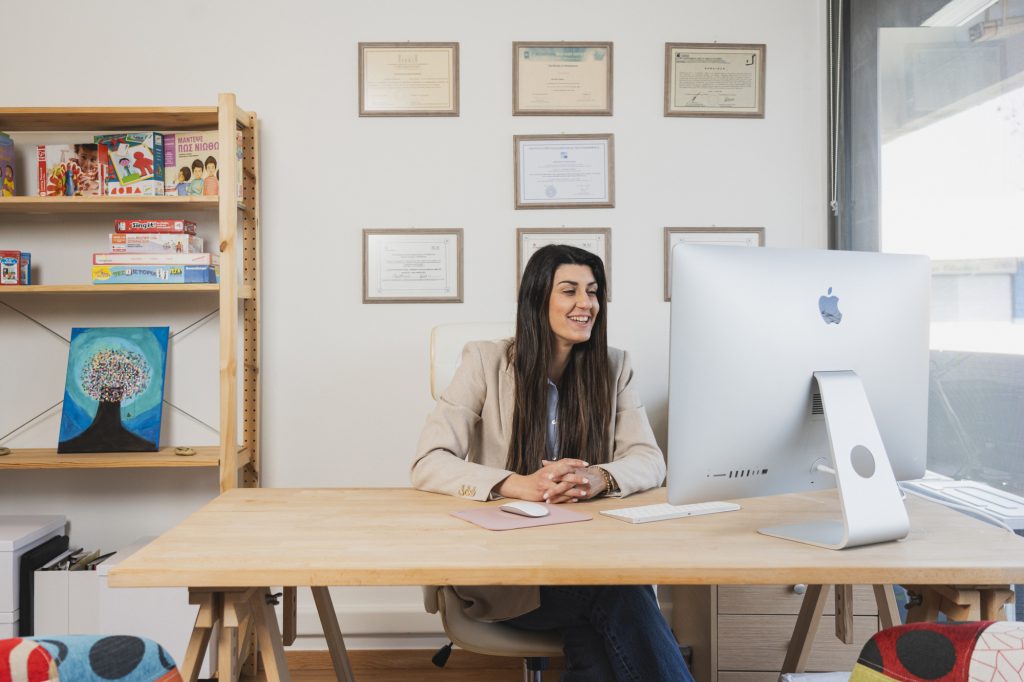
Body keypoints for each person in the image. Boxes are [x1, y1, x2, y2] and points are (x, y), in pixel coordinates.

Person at [411, 244, 693, 681]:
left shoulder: (614, 366)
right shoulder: (484, 361)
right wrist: (516, 483)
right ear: (538, 298)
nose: (586, 304)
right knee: (618, 592)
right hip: (507, 571)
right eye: (569, 290)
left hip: (589, 554)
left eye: (593, 292)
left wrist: (599, 477)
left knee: (598, 638)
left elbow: (649, 459)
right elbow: (430, 461)